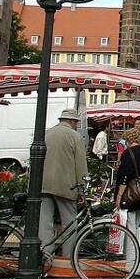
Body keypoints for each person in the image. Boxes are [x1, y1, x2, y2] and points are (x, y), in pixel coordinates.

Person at [41, 109, 87, 258]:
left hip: (44, 184)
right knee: (70, 224)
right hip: (66, 185)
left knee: (44, 223)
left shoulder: (47, 133)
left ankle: (45, 255)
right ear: (72, 122)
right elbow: (80, 165)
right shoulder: (75, 136)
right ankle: (68, 257)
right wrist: (82, 189)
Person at [114, 126, 140, 256]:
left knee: (129, 225)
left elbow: (125, 176)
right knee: (136, 225)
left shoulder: (127, 153)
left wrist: (119, 195)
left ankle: (131, 256)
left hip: (130, 194)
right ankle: (137, 252)